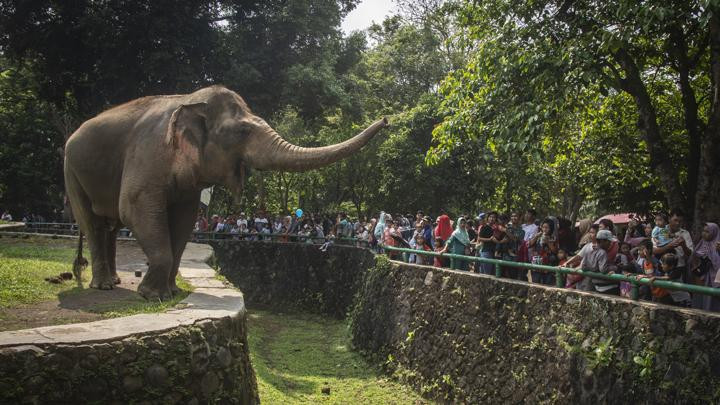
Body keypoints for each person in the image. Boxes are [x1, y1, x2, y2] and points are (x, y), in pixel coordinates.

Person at [652, 210, 693, 281]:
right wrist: (669, 246)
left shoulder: (685, 233)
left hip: (678, 269)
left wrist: (683, 245)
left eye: (680, 221)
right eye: (675, 220)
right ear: (669, 219)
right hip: (661, 267)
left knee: (677, 291)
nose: (677, 223)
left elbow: (689, 254)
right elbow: (654, 251)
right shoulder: (659, 230)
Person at [690, 222, 720, 311]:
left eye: (707, 231)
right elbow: (693, 259)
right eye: (703, 231)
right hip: (700, 277)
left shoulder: (717, 245)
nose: (704, 233)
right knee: (700, 299)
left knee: (712, 301)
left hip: (713, 279)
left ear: (714, 233)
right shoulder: (701, 244)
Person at [528, 217, 559, 285]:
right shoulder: (538, 236)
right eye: (543, 227)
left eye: (547, 228)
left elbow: (555, 251)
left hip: (548, 265)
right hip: (537, 264)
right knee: (536, 283)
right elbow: (529, 245)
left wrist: (548, 242)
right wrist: (536, 236)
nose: (544, 229)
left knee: (547, 284)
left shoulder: (554, 238)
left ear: (551, 228)